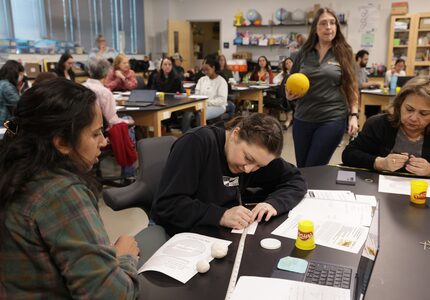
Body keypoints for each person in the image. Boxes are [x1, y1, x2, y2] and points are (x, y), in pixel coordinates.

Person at [0, 78, 140, 298]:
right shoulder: (60, 192)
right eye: (95, 134)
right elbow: (111, 295)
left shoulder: (14, 173)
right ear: (62, 142)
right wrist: (124, 257)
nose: (103, 142)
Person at [151, 113, 307, 235]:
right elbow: (167, 206)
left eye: (259, 166)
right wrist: (221, 215)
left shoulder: (258, 157)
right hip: (179, 233)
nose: (248, 169)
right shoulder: (197, 143)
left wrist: (274, 203)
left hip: (218, 234)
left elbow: (295, 179)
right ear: (235, 134)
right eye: (248, 158)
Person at [286, 7, 359, 168]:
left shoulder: (344, 52)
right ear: (315, 29)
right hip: (302, 118)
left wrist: (354, 114)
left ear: (337, 27)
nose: (328, 27)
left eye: (332, 23)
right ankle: (306, 193)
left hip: (331, 118)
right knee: (302, 168)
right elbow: (291, 79)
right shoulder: (303, 52)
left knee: (314, 168)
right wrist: (289, 94)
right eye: (324, 23)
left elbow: (351, 85)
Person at [342, 76, 430, 176]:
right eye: (409, 109)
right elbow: (349, 155)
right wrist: (381, 163)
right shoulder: (379, 124)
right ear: (400, 104)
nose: (413, 118)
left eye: (423, 113)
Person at [83, 58, 136, 178]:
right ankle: (128, 174)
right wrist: (128, 121)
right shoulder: (104, 93)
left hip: (83, 131)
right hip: (102, 134)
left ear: (90, 72)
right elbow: (113, 121)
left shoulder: (80, 87)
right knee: (128, 123)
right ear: (106, 73)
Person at [195, 55, 228, 120]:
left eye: (207, 69)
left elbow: (222, 100)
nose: (205, 72)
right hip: (202, 105)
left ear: (213, 68)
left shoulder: (221, 81)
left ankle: (202, 130)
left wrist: (207, 102)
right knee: (187, 114)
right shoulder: (202, 80)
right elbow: (197, 95)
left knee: (201, 115)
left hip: (218, 106)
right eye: (204, 70)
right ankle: (187, 130)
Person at [0, 60, 24, 126]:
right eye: (21, 73)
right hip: (5, 123)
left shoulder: (2, 83)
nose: (22, 76)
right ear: (14, 72)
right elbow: (19, 105)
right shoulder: (7, 86)